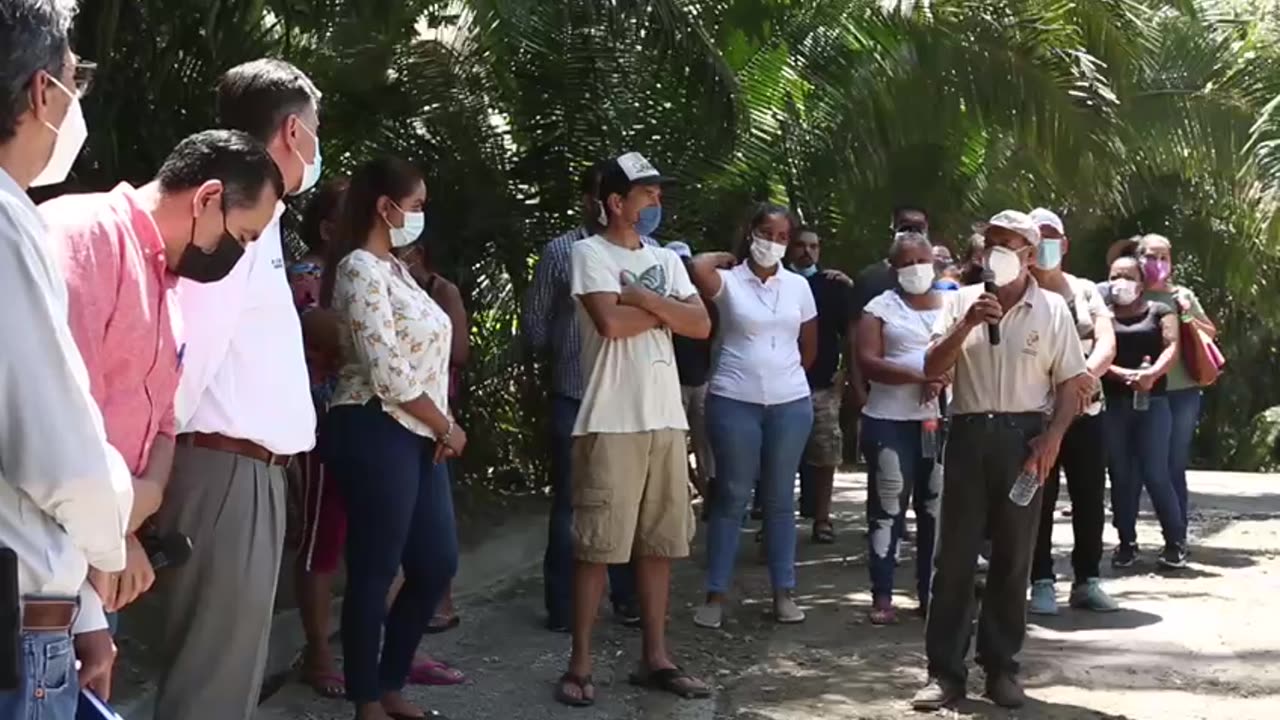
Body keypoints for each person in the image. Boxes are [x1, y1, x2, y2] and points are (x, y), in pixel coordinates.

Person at [42, 129, 283, 621]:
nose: (236, 257)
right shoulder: (87, 236)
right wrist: (120, 525)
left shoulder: (167, 285)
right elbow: (61, 410)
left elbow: (164, 423)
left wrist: (138, 509)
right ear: (209, 198)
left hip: (98, 548)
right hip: (43, 548)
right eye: (241, 237)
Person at [153, 58, 322, 720]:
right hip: (221, 469)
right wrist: (152, 475)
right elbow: (187, 354)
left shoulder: (264, 220)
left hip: (245, 473)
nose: (317, 141)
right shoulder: (236, 216)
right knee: (211, 686)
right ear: (291, 130)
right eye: (315, 127)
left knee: (228, 679)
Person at [0, 3, 132, 714]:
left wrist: (79, 606)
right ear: (41, 92)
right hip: (17, 640)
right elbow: (60, 461)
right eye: (73, 81)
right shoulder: (7, 227)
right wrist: (112, 540)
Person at [914, 210, 1089, 711]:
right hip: (969, 434)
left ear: (1031, 256)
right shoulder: (963, 302)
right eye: (990, 244)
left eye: (1008, 246)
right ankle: (944, 674)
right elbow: (931, 367)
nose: (996, 254)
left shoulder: (1053, 309)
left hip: (1023, 437)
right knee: (954, 559)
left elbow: (1069, 384)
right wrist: (968, 323)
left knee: (1014, 559)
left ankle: (1001, 669)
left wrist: (1053, 437)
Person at [555, 152, 710, 706]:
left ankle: (656, 656)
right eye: (646, 194)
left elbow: (701, 323)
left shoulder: (665, 260)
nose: (655, 202)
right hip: (610, 418)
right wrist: (667, 309)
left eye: (657, 193)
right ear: (615, 202)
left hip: (665, 418)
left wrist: (643, 297)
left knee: (658, 544)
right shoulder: (587, 253)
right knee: (597, 546)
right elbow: (610, 324)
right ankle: (579, 663)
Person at [317, 156, 462, 720]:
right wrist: (447, 424)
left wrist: (438, 426)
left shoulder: (396, 270)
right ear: (387, 207)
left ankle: (390, 678)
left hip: (420, 432)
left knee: (435, 563)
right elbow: (388, 372)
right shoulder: (358, 268)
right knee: (375, 569)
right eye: (417, 205)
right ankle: (367, 698)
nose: (421, 216)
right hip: (377, 425)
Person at [523, 161, 643, 633]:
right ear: (589, 200)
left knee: (627, 498)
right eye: (600, 194)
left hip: (629, 395)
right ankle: (564, 607)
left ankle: (627, 596)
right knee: (573, 502)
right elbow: (534, 323)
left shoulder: (644, 253)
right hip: (574, 393)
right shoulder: (561, 252)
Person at [687, 203, 817, 630]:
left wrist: (785, 375)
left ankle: (784, 591)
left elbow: (808, 347)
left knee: (781, 499)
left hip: (790, 403)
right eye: (766, 233)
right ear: (749, 233)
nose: (773, 243)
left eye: (782, 237)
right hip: (733, 398)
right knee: (732, 496)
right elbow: (694, 268)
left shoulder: (798, 287)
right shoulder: (728, 282)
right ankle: (716, 593)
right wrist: (723, 256)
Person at [1025, 208, 1120, 614]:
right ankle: (1040, 580)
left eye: (1051, 236)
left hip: (1086, 410)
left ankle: (1087, 580)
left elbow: (1106, 341)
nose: (1045, 243)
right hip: (1036, 412)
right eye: (1037, 236)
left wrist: (1084, 379)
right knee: (1038, 497)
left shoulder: (1084, 290)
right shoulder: (1018, 291)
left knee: (1088, 496)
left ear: (1064, 244)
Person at [854, 231, 945, 624]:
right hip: (889, 422)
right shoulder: (879, 308)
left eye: (921, 260)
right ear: (893, 269)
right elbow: (868, 361)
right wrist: (920, 375)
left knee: (935, 510)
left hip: (938, 424)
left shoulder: (952, 304)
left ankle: (930, 594)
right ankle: (883, 596)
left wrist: (945, 376)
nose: (915, 269)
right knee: (888, 509)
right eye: (905, 262)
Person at [287, 177, 349, 698]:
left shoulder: (370, 272)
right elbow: (337, 336)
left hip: (367, 424)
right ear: (329, 226)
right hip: (323, 424)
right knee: (321, 538)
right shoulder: (308, 276)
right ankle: (318, 650)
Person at [1102, 252, 1189, 570]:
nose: (1119, 283)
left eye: (1127, 276)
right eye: (1113, 276)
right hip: (1114, 404)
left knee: (1156, 472)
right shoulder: (1104, 315)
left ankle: (1175, 542)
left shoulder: (1160, 311)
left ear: (1141, 283)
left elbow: (1172, 348)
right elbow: (1095, 352)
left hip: (1154, 404)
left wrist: (1150, 376)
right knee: (1121, 475)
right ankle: (1126, 543)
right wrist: (1120, 374)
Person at [1136, 234, 1218, 532]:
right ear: (1138, 258)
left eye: (1163, 257)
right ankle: (1127, 539)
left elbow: (1209, 331)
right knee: (1139, 466)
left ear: (1171, 262)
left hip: (1182, 392)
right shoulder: (1129, 293)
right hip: (1141, 393)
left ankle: (1177, 532)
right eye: (1150, 256)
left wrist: (1186, 315)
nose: (1157, 263)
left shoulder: (1181, 295)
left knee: (1173, 465)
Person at [786, 226, 853, 543]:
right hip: (779, 386)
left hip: (822, 385)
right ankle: (776, 522)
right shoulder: (777, 282)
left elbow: (849, 332)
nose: (807, 251)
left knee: (826, 455)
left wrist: (845, 373)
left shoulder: (833, 285)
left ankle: (823, 518)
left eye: (813, 246)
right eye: (800, 245)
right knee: (779, 459)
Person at [666, 240, 717, 502]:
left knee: (704, 444)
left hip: (701, 381)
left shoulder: (704, 301)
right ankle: (686, 490)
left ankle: (709, 493)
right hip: (672, 383)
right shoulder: (660, 301)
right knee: (674, 444)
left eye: (685, 263)